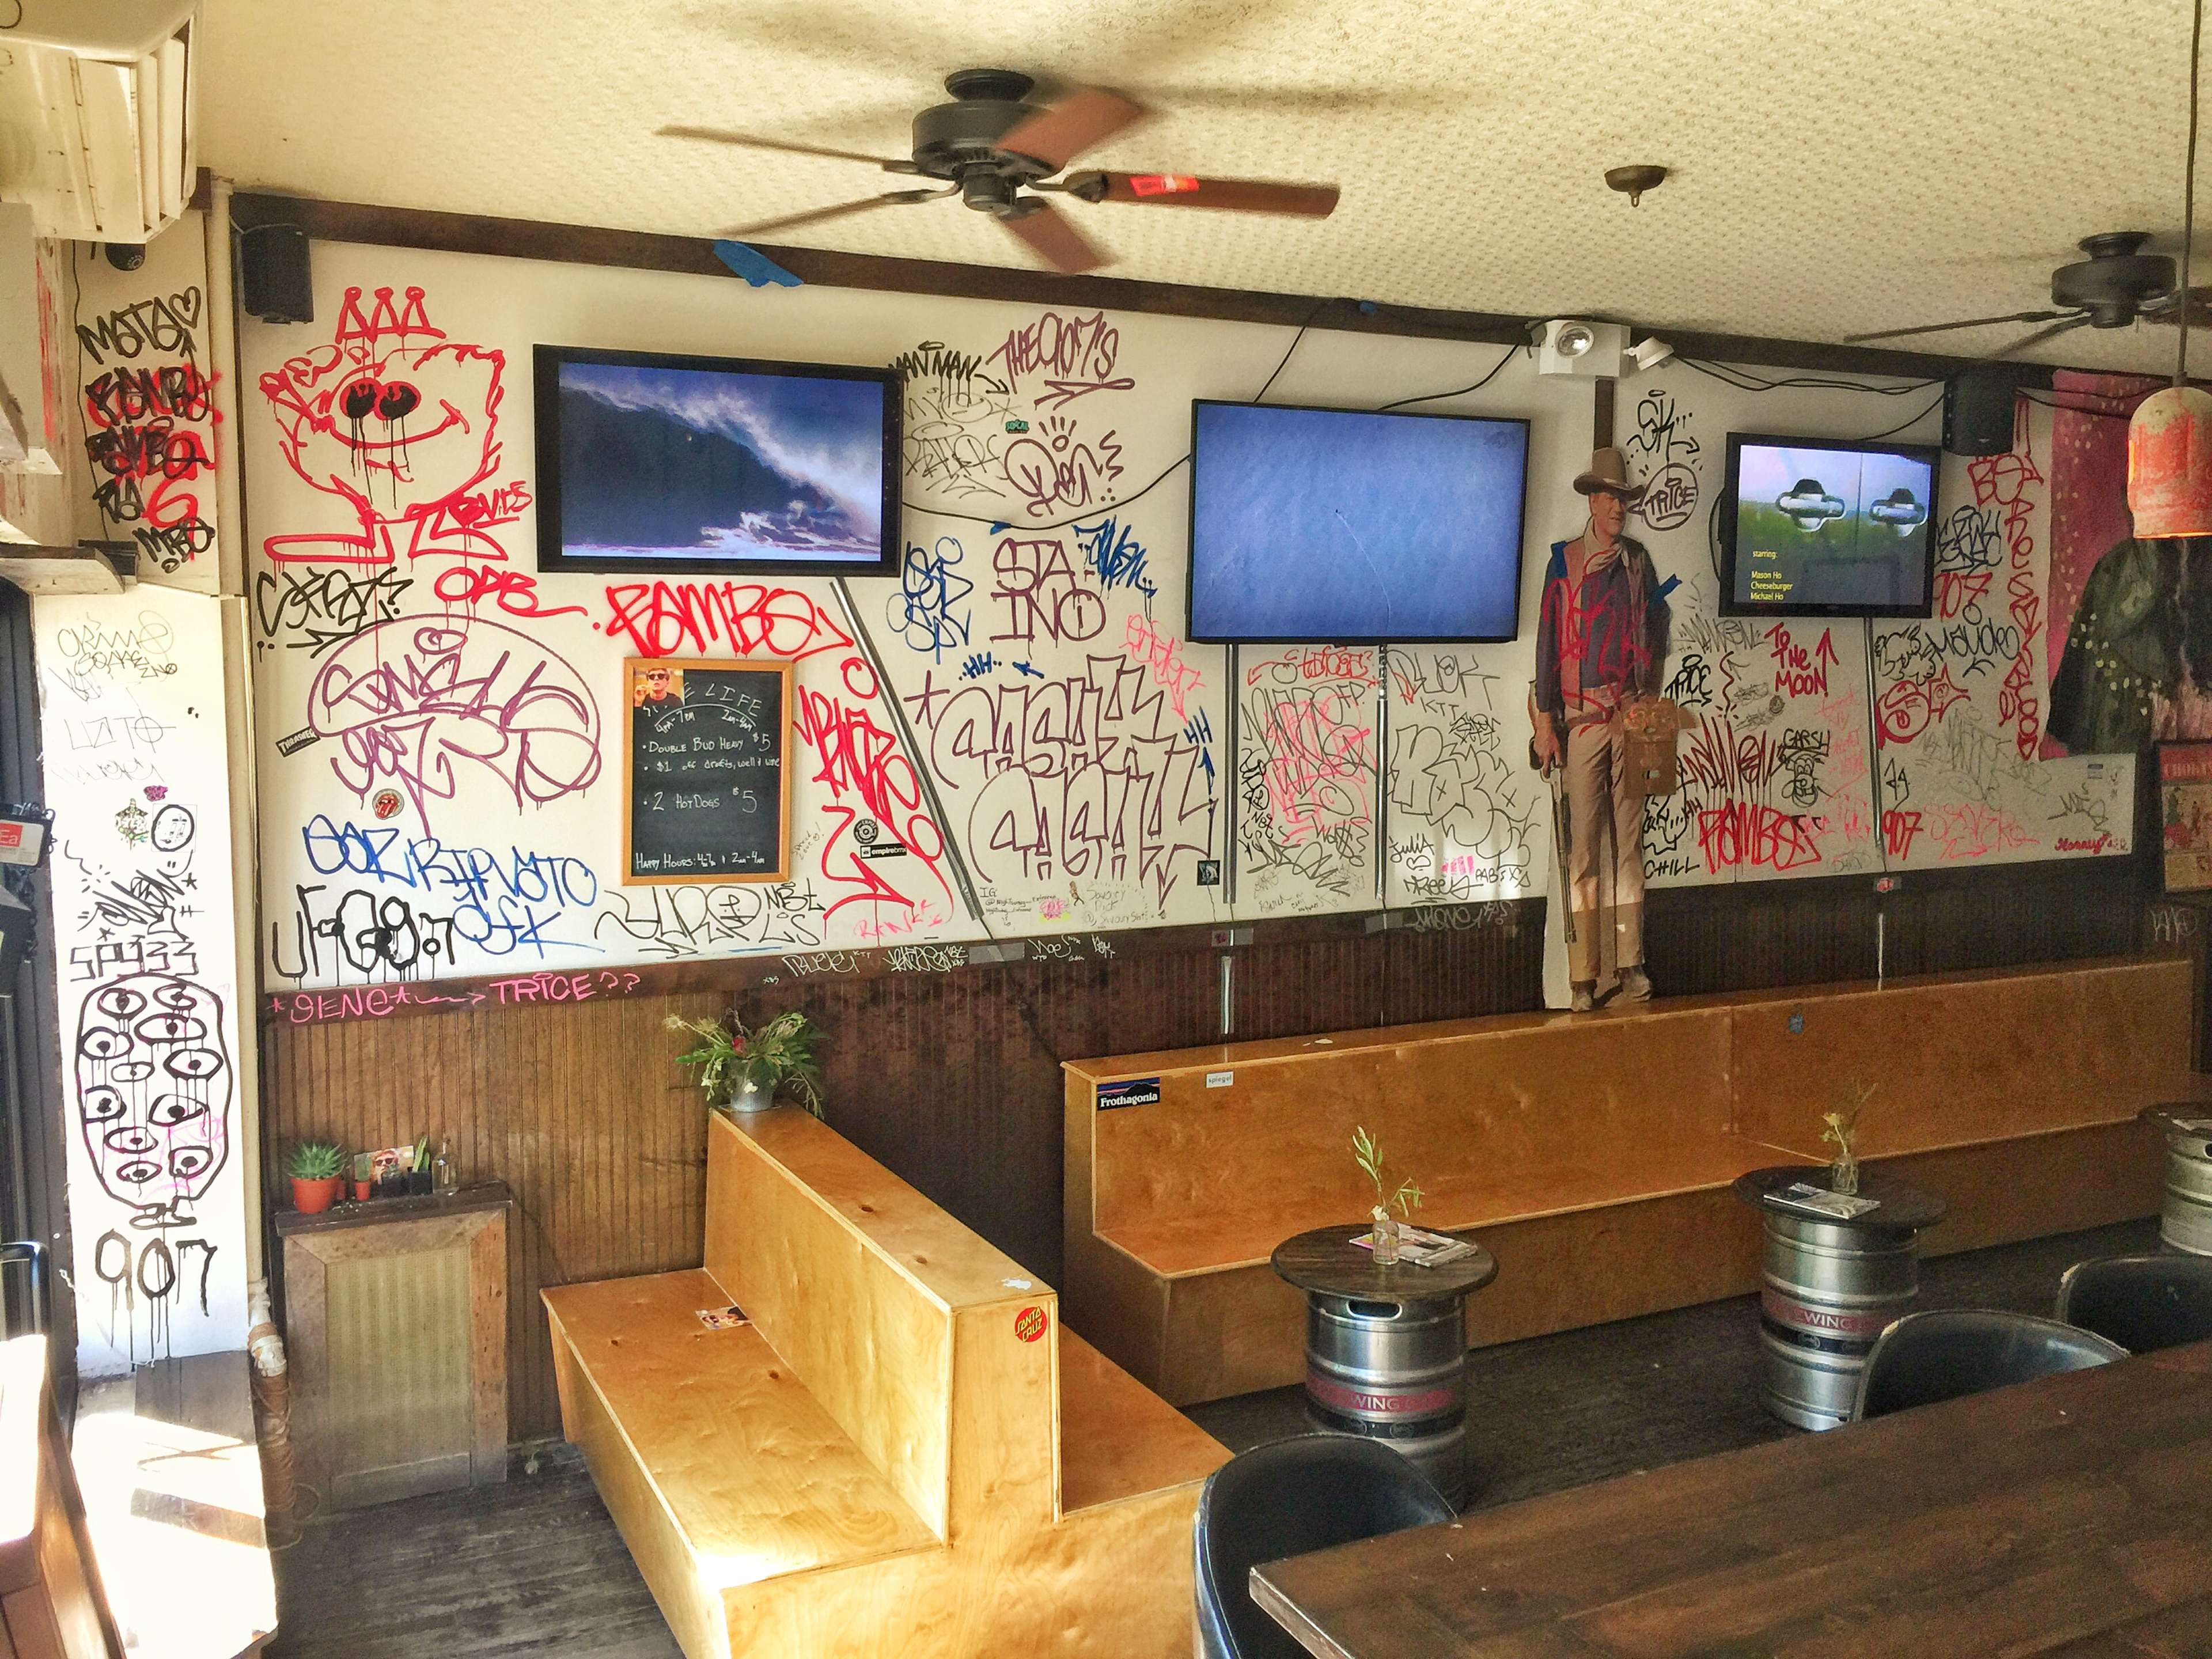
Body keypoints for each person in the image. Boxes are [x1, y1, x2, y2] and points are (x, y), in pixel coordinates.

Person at [1532, 448, 1671, 1012]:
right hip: (1583, 721)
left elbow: (1658, 627)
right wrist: (1546, 724)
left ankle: (1631, 960)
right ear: (1592, 501)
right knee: (1584, 851)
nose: (1619, 508)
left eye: (1623, 499)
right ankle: (1584, 976)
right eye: (1610, 498)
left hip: (1633, 719)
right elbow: (1545, 649)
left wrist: (1647, 701)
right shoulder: (1563, 564)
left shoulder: (1639, 562)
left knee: (1631, 848)